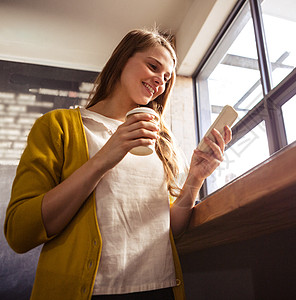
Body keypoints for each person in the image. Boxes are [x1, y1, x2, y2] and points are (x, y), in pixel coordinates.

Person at [4, 28, 232, 300]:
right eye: (153, 66)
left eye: (167, 77)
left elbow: (168, 228)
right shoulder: (58, 126)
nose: (160, 80)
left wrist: (195, 177)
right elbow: (20, 232)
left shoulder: (159, 141)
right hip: (89, 292)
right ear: (123, 59)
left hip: (159, 289)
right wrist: (105, 157)